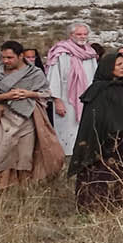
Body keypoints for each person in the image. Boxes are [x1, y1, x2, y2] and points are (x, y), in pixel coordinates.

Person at [0, 43, 66, 189]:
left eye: (10, 57)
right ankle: (2, 189)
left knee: (24, 157)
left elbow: (46, 93)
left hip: (28, 119)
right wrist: (5, 96)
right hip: (5, 119)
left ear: (20, 56)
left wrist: (30, 94)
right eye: (3, 57)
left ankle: (23, 191)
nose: (6, 61)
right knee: (2, 154)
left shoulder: (35, 73)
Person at [73, 50, 123, 210]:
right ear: (108, 67)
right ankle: (97, 207)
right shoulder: (98, 90)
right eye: (118, 65)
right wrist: (113, 133)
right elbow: (97, 119)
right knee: (102, 174)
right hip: (107, 142)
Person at [44, 23, 96, 158]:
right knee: (67, 133)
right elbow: (54, 78)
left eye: (85, 34)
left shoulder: (90, 53)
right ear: (71, 35)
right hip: (66, 100)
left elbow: (95, 77)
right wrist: (57, 101)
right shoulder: (61, 52)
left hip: (87, 99)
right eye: (79, 34)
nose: (82, 37)